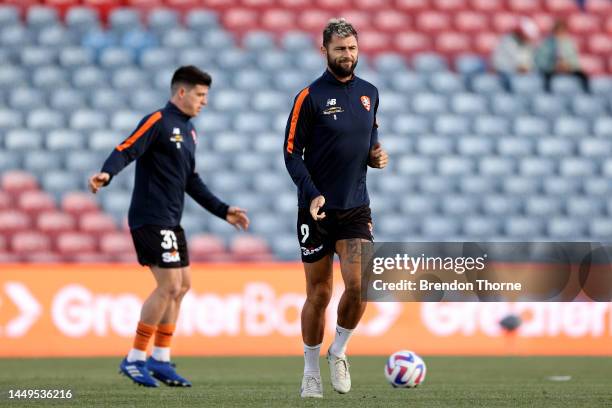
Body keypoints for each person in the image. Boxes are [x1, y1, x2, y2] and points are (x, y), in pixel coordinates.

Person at [88, 66, 249, 388]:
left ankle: (160, 359)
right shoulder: (158, 121)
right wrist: (107, 173)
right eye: (200, 95)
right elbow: (127, 147)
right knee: (169, 286)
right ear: (181, 93)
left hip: (171, 221)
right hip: (150, 217)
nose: (204, 102)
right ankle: (134, 358)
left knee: (183, 285)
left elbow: (191, 180)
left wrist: (223, 210)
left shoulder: (189, 132)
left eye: (206, 96)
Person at [283, 18, 388, 398]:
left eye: (353, 49)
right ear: (324, 49)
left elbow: (371, 136)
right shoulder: (308, 97)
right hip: (317, 210)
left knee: (361, 286)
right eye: (341, 49)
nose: (348, 55)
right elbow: (291, 154)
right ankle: (310, 370)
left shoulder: (370, 93)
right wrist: (311, 193)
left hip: (356, 206)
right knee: (320, 294)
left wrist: (376, 155)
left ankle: (338, 352)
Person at [535, 19, 590, 93]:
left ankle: (586, 92)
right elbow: (541, 60)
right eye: (557, 31)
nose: (559, 34)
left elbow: (575, 59)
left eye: (562, 31)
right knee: (546, 77)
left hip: (568, 68)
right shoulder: (546, 43)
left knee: (582, 75)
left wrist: (568, 66)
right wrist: (552, 66)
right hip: (552, 69)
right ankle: (548, 93)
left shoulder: (570, 43)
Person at [492, 17, 539, 92]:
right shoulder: (507, 42)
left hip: (522, 75)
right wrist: (521, 67)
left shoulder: (527, 45)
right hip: (506, 74)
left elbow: (530, 62)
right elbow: (502, 64)